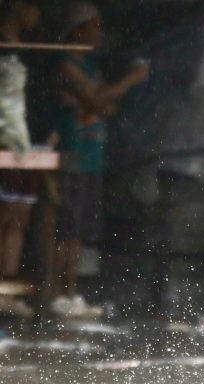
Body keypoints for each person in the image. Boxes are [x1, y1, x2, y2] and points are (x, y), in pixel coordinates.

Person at [49, 1, 149, 317]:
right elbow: (98, 99)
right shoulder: (66, 64)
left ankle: (70, 292)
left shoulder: (91, 65)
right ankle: (56, 293)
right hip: (73, 152)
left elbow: (105, 106)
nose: (99, 33)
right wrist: (130, 80)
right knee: (65, 228)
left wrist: (99, 100)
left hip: (93, 155)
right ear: (79, 28)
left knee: (78, 230)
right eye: (95, 26)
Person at [0, 0, 42, 317]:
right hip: (7, 138)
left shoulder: (24, 47)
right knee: (7, 214)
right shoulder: (5, 44)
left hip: (20, 141)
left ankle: (7, 290)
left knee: (18, 218)